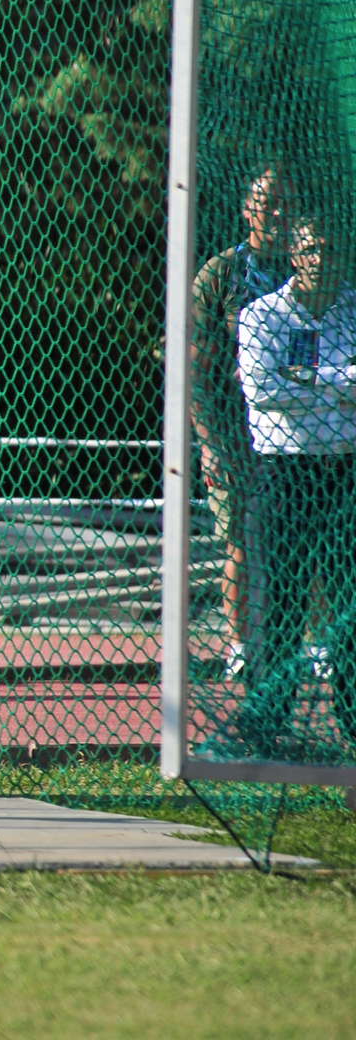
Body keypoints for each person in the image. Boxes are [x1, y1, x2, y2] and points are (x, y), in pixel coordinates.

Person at [232, 217, 356, 753]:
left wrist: (307, 381)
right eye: (308, 249)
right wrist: (343, 380)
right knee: (278, 600)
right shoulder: (262, 315)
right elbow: (263, 390)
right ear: (292, 254)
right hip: (284, 473)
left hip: (345, 473)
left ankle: (353, 721)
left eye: (327, 249)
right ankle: (265, 722)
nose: (318, 260)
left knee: (349, 601)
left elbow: (291, 386)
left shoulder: (353, 311)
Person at [191, 168, 289, 680]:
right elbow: (194, 372)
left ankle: (315, 646)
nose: (277, 213)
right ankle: (240, 645)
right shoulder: (221, 275)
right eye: (267, 202)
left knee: (306, 540)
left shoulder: (310, 270)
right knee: (239, 542)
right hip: (235, 434)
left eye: (285, 202)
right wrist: (210, 445)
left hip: (296, 431)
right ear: (248, 209)